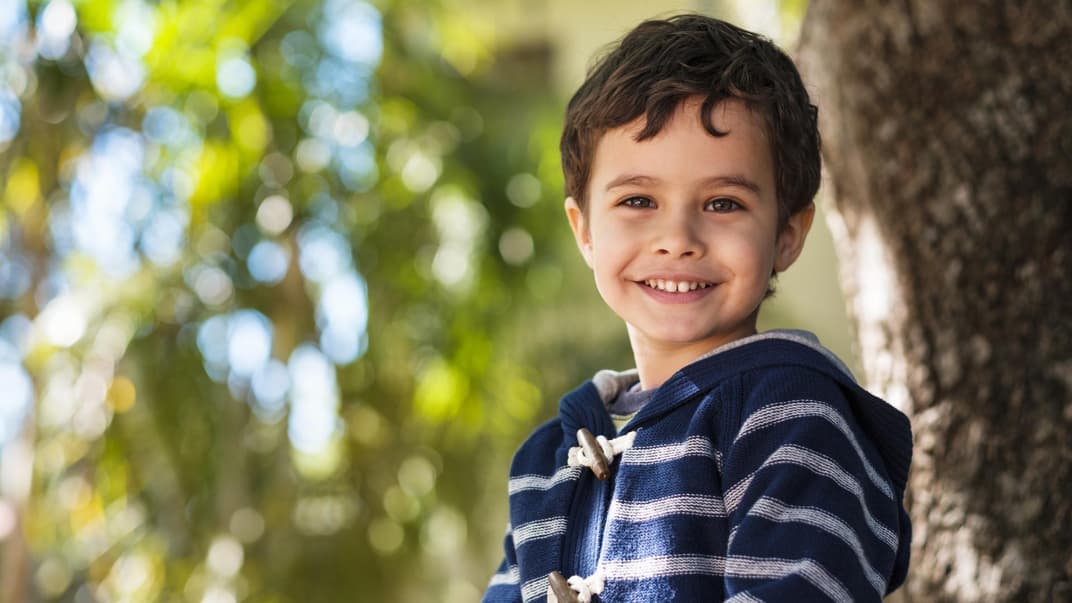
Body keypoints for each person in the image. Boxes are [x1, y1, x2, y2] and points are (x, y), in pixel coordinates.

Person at [482, 14, 912, 603]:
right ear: (584, 231)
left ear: (787, 233)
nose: (677, 236)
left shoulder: (794, 419)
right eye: (638, 200)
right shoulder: (544, 463)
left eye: (722, 202)